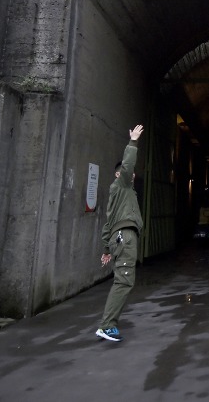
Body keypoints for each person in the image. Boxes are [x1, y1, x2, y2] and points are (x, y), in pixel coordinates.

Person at [95, 124, 144, 342]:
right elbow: (127, 165)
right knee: (124, 281)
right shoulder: (122, 185)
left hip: (119, 237)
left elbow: (107, 224)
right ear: (119, 173)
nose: (132, 174)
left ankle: (108, 324)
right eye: (127, 172)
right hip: (125, 237)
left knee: (124, 280)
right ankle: (107, 325)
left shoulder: (121, 195)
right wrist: (133, 141)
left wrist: (107, 248)